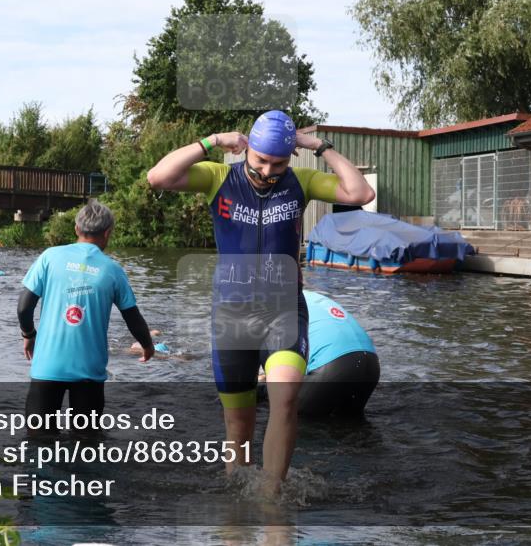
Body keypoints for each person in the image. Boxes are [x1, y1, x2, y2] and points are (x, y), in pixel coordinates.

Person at [146, 109, 374, 496]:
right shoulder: (219, 178)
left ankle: (271, 500)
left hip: (283, 311)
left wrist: (318, 146)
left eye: (278, 163)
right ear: (247, 149)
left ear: (290, 159)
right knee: (238, 424)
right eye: (261, 160)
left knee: (284, 400)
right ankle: (236, 511)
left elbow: (360, 193)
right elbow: (158, 177)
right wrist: (213, 141)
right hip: (231, 316)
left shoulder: (300, 182)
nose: (268, 171)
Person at [17, 199, 155, 434]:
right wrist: (147, 345)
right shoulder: (113, 270)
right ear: (107, 233)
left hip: (47, 367)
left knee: (38, 442)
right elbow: (132, 317)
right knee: (87, 443)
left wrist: (29, 334)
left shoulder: (49, 257)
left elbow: (24, 307)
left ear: (76, 229)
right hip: (89, 371)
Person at [296, 290, 379, 419]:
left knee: (290, 415)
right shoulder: (311, 296)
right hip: (371, 363)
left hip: (334, 365)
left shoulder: (277, 304)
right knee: (348, 423)